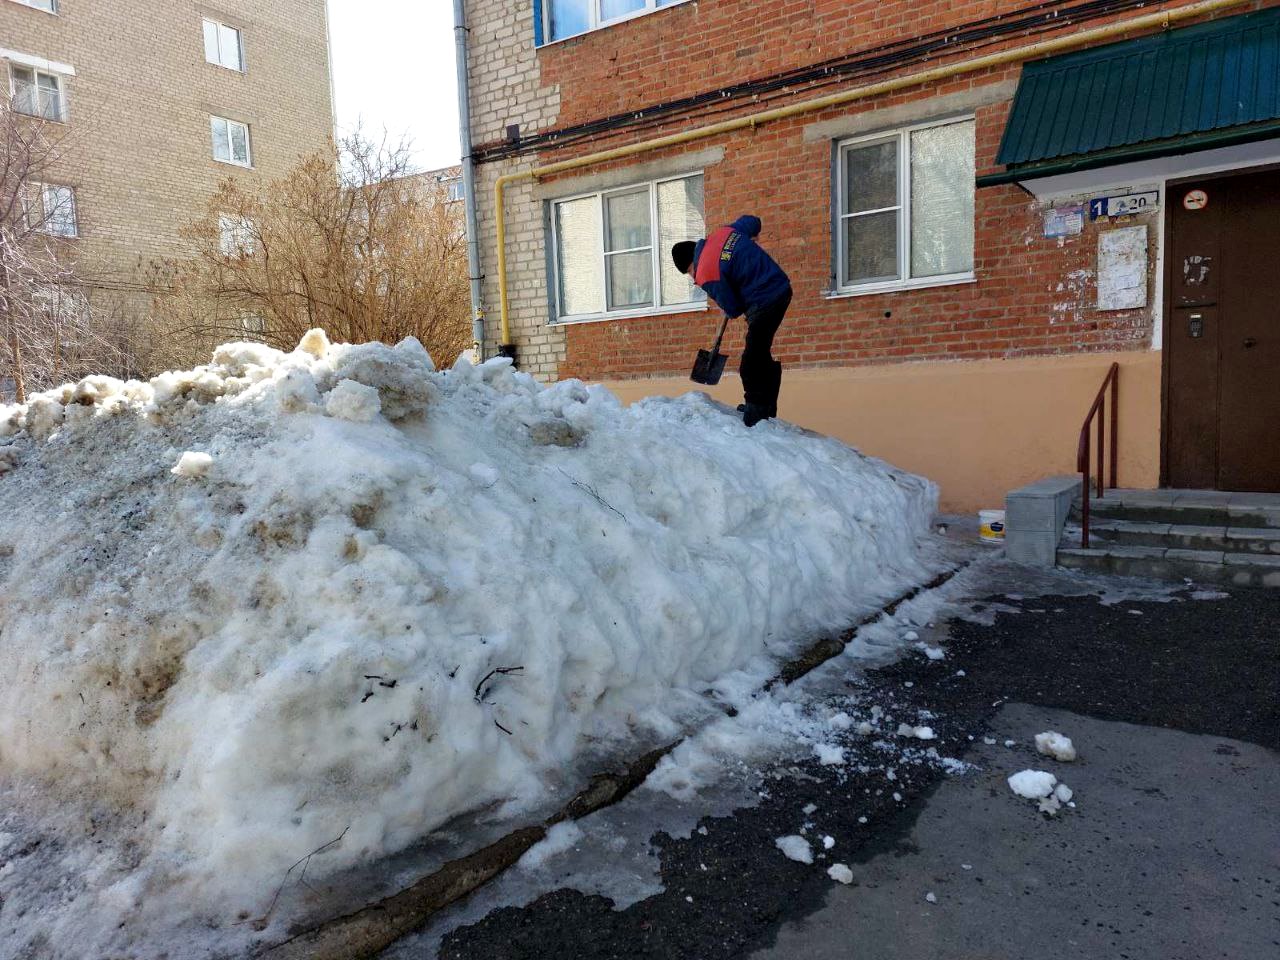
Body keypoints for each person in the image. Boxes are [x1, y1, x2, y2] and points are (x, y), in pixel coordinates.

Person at [671, 216, 791, 427]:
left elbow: (733, 309)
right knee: (760, 352)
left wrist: (725, 297)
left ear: (691, 264)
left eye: (689, 272)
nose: (693, 277)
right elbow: (752, 221)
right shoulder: (723, 233)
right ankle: (765, 406)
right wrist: (750, 240)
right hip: (781, 288)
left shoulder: (706, 273)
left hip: (765, 301)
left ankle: (757, 411)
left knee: (750, 362)